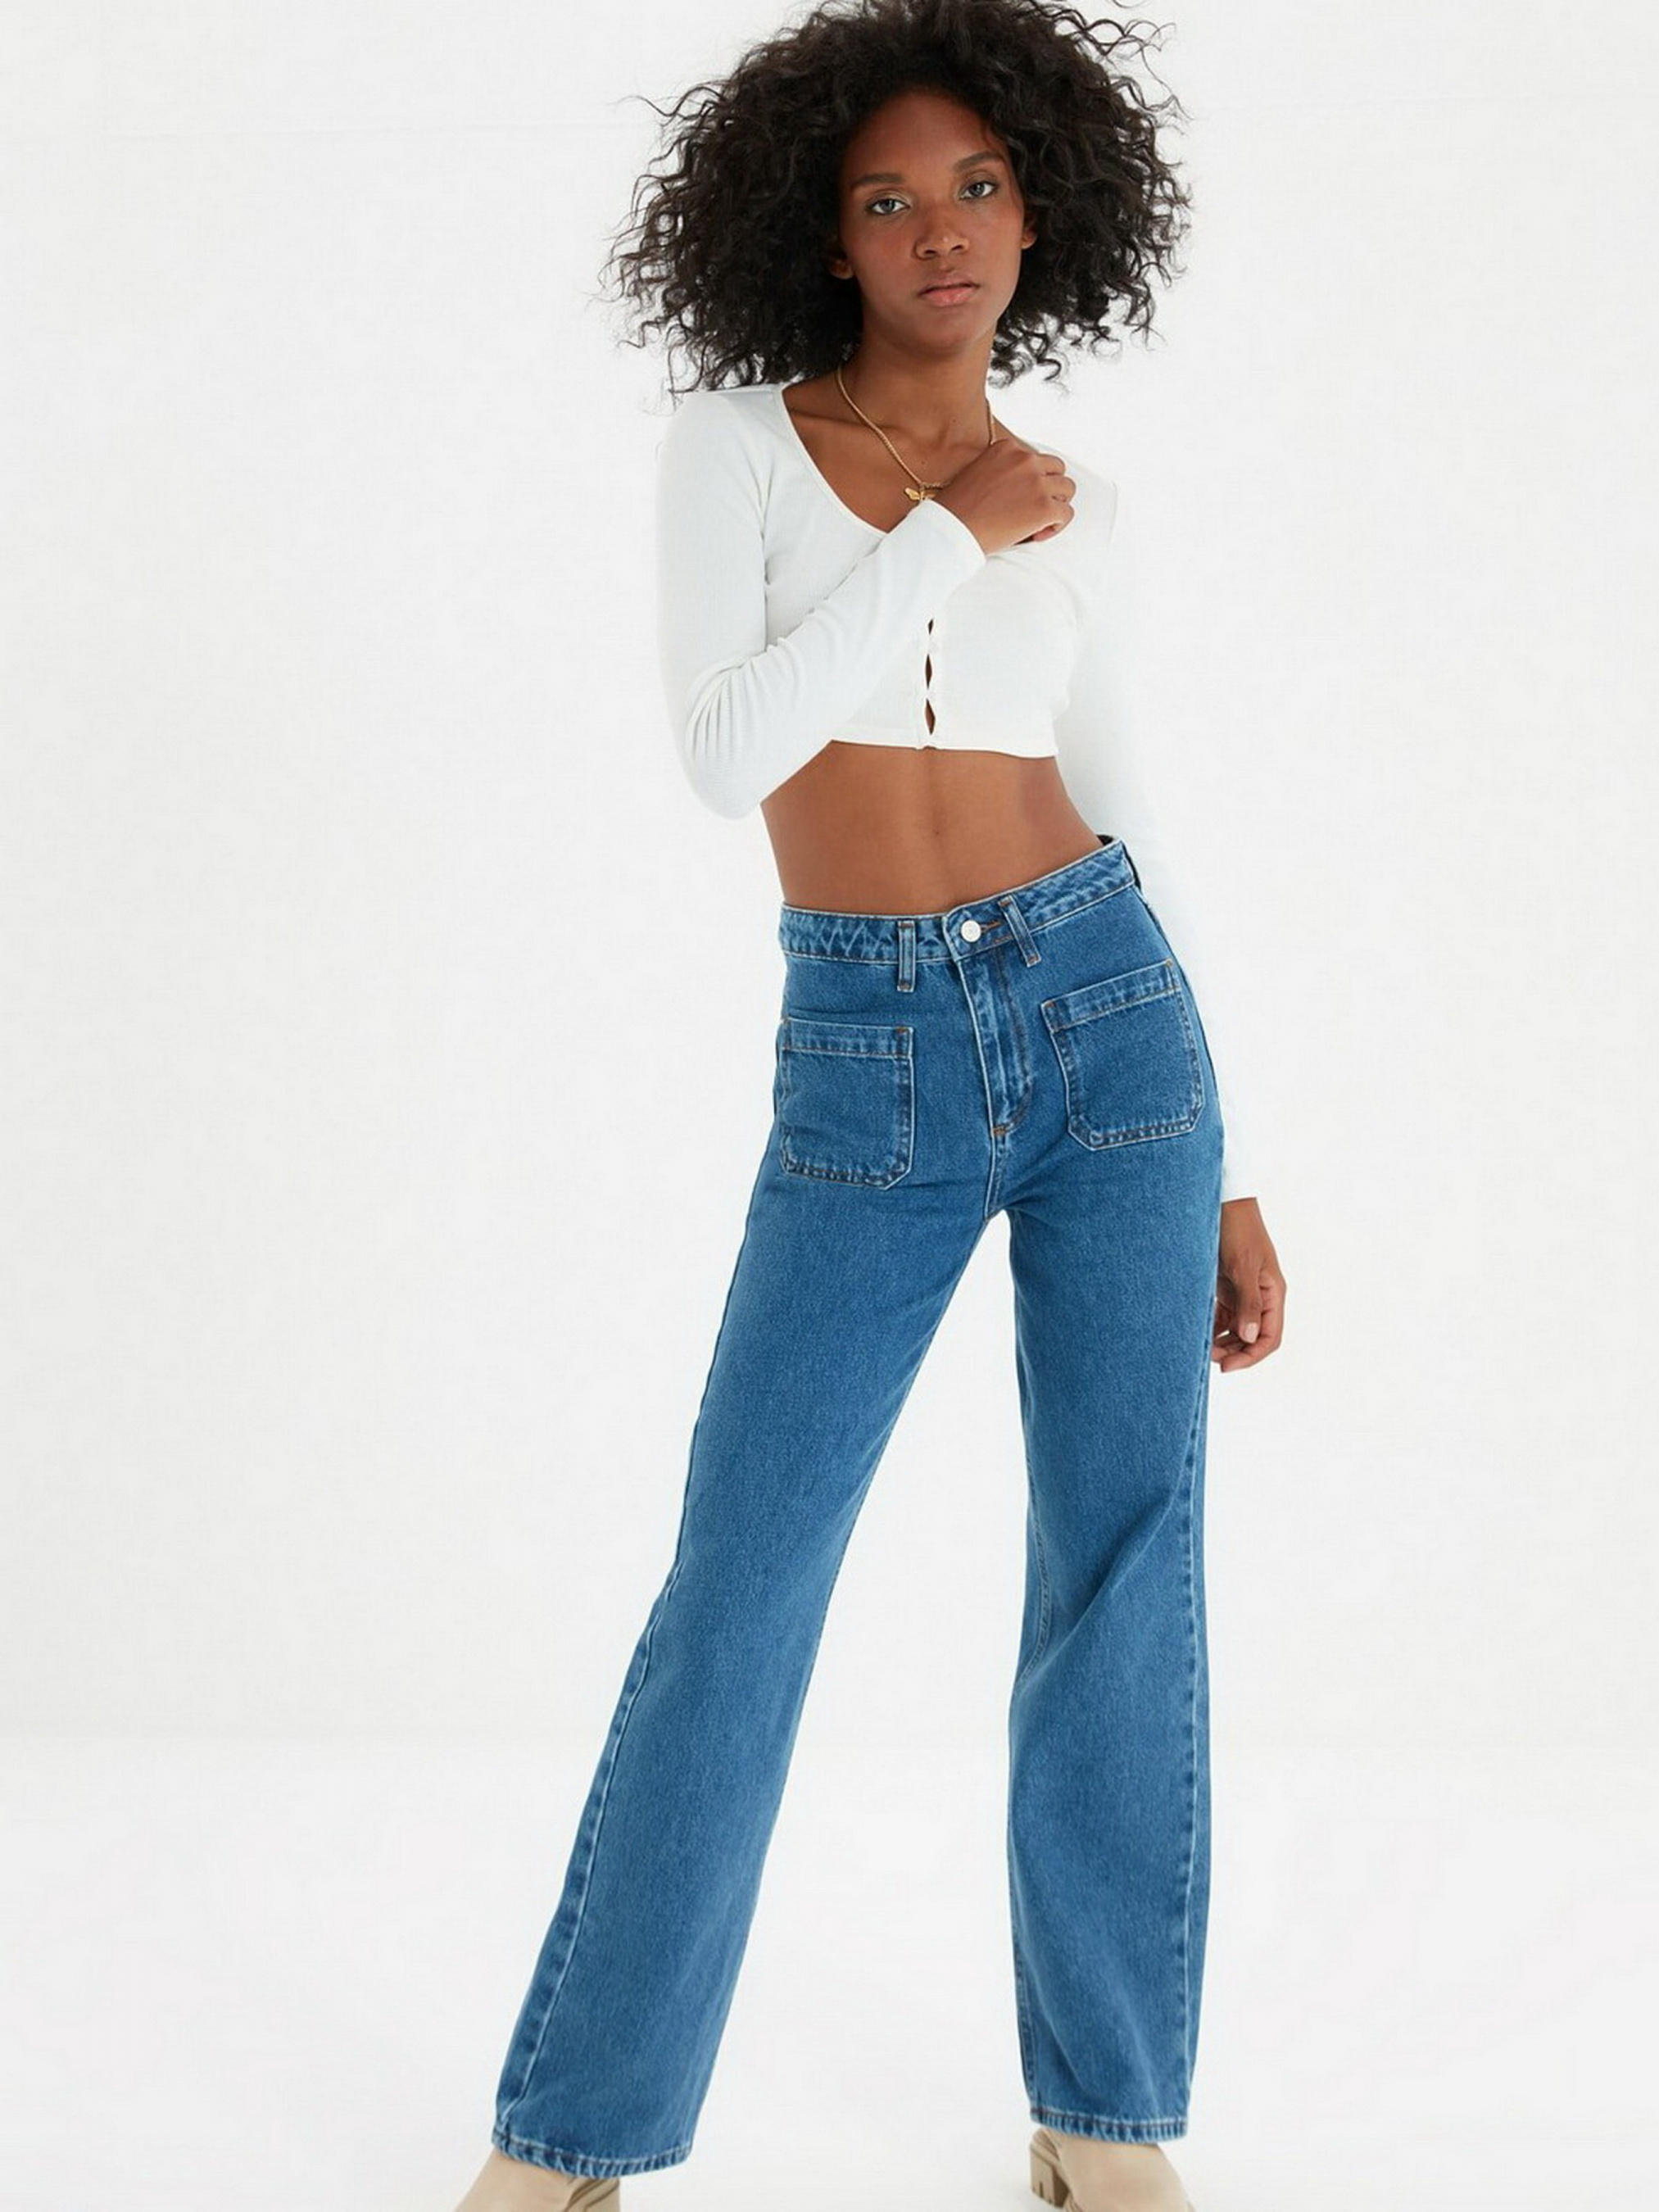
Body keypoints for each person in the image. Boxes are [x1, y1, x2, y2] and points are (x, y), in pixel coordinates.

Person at [455, 5, 1285, 2209]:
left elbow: (1125, 797)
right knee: (740, 1581)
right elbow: (724, 750)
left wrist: (1239, 1160)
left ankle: (1102, 2122)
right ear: (821, 234)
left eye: (978, 187)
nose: (941, 230)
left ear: (1044, 213)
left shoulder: (1085, 504)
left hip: (1116, 1030)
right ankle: (572, 2137)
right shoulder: (734, 446)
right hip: (871, 1054)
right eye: (889, 196)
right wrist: (943, 539)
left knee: (1125, 1568)